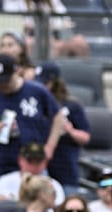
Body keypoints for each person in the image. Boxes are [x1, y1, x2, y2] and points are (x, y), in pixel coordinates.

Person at [0, 54, 65, 181]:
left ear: (16, 72)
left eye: (6, 80)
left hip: (33, 163)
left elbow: (58, 115)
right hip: (0, 165)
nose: (2, 85)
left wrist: (49, 147)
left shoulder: (36, 91)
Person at [34, 61, 91, 196]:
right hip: (39, 168)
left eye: (45, 84)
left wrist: (70, 131)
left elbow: (86, 137)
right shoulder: (34, 103)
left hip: (66, 170)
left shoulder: (72, 105)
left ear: (54, 83)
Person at [2, 0, 90, 58]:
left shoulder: (53, 1)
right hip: (27, 37)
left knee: (80, 41)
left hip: (55, 36)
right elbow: (14, 23)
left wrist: (52, 26)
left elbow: (65, 19)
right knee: (49, 45)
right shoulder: (13, 1)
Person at [0, 142, 65, 205]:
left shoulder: (53, 185)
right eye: (30, 161)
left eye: (38, 162)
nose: (34, 166)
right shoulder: (5, 181)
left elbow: (60, 209)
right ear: (20, 160)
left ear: (45, 163)